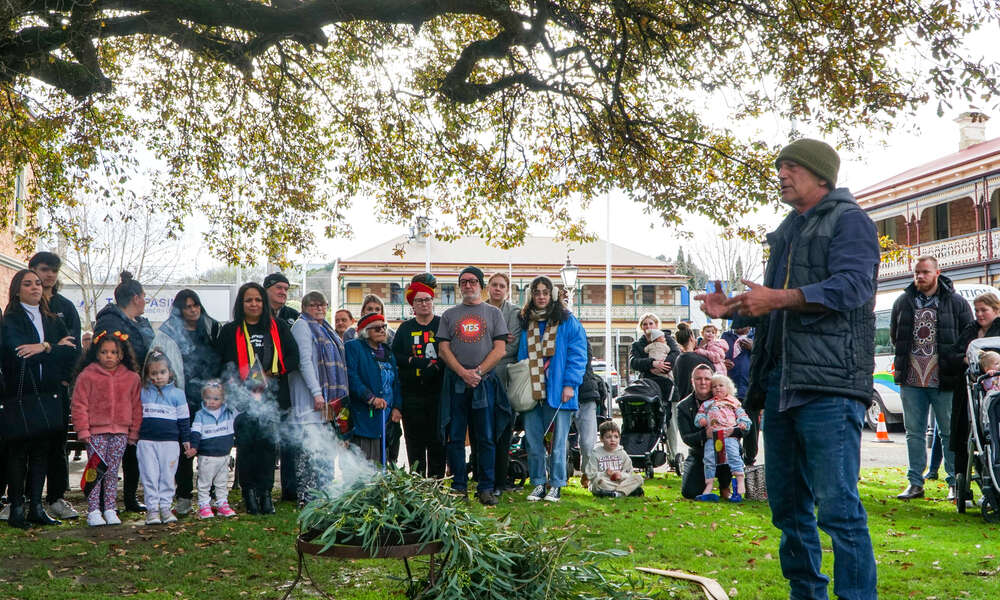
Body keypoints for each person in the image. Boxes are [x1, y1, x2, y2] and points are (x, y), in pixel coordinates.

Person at [698, 138, 879, 599]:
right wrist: (734, 309)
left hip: (829, 385)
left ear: (822, 176)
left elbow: (852, 287)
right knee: (787, 506)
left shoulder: (851, 221)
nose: (781, 174)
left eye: (791, 166)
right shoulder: (786, 229)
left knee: (838, 508)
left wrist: (776, 298)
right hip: (778, 383)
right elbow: (774, 303)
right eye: (779, 166)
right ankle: (806, 594)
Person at [890, 256, 972, 502]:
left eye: (925, 272)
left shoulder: (956, 303)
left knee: (948, 432)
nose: (920, 277)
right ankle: (915, 483)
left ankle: (954, 482)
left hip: (944, 378)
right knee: (913, 432)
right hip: (911, 379)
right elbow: (896, 336)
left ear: (938, 272)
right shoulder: (903, 302)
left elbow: (967, 336)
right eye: (916, 272)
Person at [1, 269, 77, 528]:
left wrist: (43, 347)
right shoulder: (11, 319)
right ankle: (17, 508)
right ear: (17, 290)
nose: (35, 287)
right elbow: (17, 353)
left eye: (37, 283)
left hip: (49, 394)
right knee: (19, 451)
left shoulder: (53, 318)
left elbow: (70, 352)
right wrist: (53, 348)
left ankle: (37, 505)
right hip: (21, 394)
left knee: (42, 450)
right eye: (28, 283)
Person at [218, 282, 300, 515]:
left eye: (258, 300)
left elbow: (294, 357)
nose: (254, 304)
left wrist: (271, 372)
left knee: (267, 446)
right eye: (248, 300)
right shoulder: (230, 330)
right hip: (242, 399)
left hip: (273, 398)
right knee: (247, 446)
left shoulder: (279, 327)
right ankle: (249, 492)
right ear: (241, 304)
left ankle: (265, 493)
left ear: (264, 304)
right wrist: (237, 379)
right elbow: (221, 362)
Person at [436, 266, 511, 506]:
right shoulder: (449, 315)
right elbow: (443, 348)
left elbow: (500, 349)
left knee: (486, 438)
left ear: (480, 285)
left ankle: (486, 487)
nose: (467, 286)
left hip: (484, 384)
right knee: (456, 437)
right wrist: (462, 372)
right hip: (456, 384)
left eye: (472, 281)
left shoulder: (493, 313)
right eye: (463, 282)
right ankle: (459, 487)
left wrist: (477, 373)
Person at [518, 275, 588, 503]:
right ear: (531, 295)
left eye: (545, 292)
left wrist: (570, 385)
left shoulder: (567, 321)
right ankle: (538, 482)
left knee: (558, 442)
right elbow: (521, 357)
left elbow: (578, 356)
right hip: (532, 391)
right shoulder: (525, 321)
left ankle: (557, 484)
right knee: (533, 440)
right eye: (536, 292)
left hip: (560, 390)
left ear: (552, 295)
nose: (540, 297)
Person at [152, 289, 222, 515]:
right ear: (180, 309)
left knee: (211, 449)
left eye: (195, 305)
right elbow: (156, 362)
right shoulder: (168, 332)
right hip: (183, 397)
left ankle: (211, 496)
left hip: (211, 397)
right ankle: (183, 496)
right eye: (187, 306)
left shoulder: (212, 327)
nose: (192, 310)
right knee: (186, 448)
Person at [94, 270, 155, 513]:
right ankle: (99, 501)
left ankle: (129, 497)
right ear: (136, 297)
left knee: (131, 447)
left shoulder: (142, 323)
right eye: (144, 297)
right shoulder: (109, 322)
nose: (145, 301)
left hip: (136, 394)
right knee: (107, 449)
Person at [28, 251, 82, 521]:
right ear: (32, 270)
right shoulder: (23, 307)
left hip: (57, 387)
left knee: (57, 443)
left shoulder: (65, 307)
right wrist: (51, 349)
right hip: (28, 388)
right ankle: (27, 498)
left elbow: (74, 348)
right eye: (44, 269)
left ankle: (57, 498)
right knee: (29, 443)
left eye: (54, 270)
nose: (49, 275)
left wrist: (64, 378)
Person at [71, 331, 142, 527]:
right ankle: (93, 510)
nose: (109, 356)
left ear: (121, 354)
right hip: (95, 432)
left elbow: (137, 406)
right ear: (96, 353)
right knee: (95, 471)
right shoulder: (87, 376)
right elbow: (79, 404)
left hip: (120, 432)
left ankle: (110, 508)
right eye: (104, 352)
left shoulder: (132, 378)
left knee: (112, 471)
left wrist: (133, 432)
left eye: (113, 352)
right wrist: (83, 430)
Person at [289, 291, 347, 504]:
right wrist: (316, 393)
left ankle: (323, 496)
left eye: (323, 305)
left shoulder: (326, 329)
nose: (319, 309)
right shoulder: (302, 326)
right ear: (304, 308)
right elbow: (305, 362)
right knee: (308, 452)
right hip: (309, 401)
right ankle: (307, 499)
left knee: (323, 450)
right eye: (314, 305)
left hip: (324, 402)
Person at [391, 275, 446, 478]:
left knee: (437, 441)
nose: (424, 304)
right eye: (419, 300)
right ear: (412, 305)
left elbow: (450, 352)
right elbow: (395, 355)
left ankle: (437, 482)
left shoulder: (442, 325)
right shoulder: (405, 329)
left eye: (427, 299)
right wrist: (413, 362)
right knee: (414, 443)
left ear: (433, 301)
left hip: (437, 393)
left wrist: (437, 365)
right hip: (412, 395)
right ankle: (417, 482)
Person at [947, 292, 1000, 481]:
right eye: (976, 310)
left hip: (994, 389)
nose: (979, 314)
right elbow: (951, 355)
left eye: (984, 310)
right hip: (968, 391)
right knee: (963, 436)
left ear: (996, 310)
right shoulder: (970, 330)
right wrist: (967, 360)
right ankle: (961, 478)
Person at [137, 351, 192, 525]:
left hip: (170, 443)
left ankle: (165, 508)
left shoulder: (178, 394)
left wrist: (186, 440)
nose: (158, 377)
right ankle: (152, 510)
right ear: (147, 374)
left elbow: (184, 420)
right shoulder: (142, 392)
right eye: (153, 373)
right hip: (146, 442)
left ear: (170, 372)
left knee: (168, 476)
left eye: (162, 372)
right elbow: (134, 415)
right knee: (149, 476)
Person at [344, 312, 402, 463]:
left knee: (386, 460)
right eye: (376, 328)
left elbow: (396, 381)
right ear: (365, 332)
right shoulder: (354, 347)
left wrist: (397, 407)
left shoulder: (387, 352)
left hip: (387, 415)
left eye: (383, 327)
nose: (382, 330)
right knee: (365, 461)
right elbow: (351, 377)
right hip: (365, 413)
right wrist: (370, 398)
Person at [263, 273, 301, 502]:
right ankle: (263, 489)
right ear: (266, 289)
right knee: (265, 440)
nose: (283, 292)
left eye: (286, 288)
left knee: (289, 440)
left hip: (286, 387)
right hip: (260, 389)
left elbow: (296, 354)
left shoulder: (292, 317)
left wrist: (278, 370)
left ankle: (290, 490)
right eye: (278, 287)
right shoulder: (256, 314)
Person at [484, 272, 521, 493]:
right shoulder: (479, 310)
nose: (497, 289)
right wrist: (498, 340)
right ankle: (482, 477)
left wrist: (489, 343)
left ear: (507, 290)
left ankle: (500, 480)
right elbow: (474, 343)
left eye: (502, 286)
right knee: (483, 431)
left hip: (506, 379)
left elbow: (512, 346)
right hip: (482, 378)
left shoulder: (514, 313)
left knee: (503, 432)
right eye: (494, 285)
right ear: (488, 287)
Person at [676, 365, 733, 500]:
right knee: (689, 493)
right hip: (699, 453)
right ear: (692, 381)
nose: (703, 382)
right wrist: (705, 435)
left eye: (707, 379)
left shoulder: (727, 399)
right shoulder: (683, 406)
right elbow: (686, 438)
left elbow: (744, 429)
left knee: (731, 450)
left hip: (723, 449)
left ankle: (725, 486)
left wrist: (731, 432)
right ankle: (705, 484)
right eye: (698, 379)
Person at [694, 374, 751, 503]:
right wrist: (701, 420)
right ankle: (708, 486)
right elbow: (699, 417)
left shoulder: (733, 403)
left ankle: (739, 482)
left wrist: (742, 423)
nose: (717, 389)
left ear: (728, 388)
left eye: (721, 386)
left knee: (733, 456)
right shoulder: (707, 404)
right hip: (713, 436)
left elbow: (743, 416)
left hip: (728, 434)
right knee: (709, 458)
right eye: (714, 387)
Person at [189, 380, 238, 519]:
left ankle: (222, 503)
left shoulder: (228, 413)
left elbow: (238, 412)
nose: (211, 401)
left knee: (222, 482)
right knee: (205, 483)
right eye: (208, 398)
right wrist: (194, 447)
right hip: (207, 456)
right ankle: (204, 505)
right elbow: (196, 432)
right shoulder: (200, 415)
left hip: (224, 455)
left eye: (216, 399)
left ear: (223, 399)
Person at [722, 326, 756, 465]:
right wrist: (722, 363)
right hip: (731, 391)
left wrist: (754, 347)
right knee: (730, 427)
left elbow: (768, 355)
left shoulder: (757, 334)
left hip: (751, 389)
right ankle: (731, 461)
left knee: (751, 428)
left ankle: (749, 461)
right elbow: (718, 356)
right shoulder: (726, 336)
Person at [585, 420, 644, 498]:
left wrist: (620, 475)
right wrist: (605, 473)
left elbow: (629, 472)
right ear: (601, 439)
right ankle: (626, 491)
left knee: (639, 478)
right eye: (608, 437)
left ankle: (615, 494)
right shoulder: (596, 453)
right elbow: (590, 474)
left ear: (619, 438)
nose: (612, 440)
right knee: (598, 483)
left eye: (616, 437)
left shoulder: (622, 453)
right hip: (605, 482)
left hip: (620, 482)